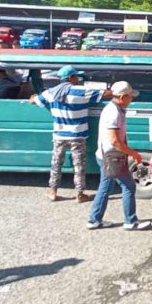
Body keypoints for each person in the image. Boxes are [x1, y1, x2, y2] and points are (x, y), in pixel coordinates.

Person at [30, 65, 110, 202]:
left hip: (59, 135)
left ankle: (52, 191)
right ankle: (80, 194)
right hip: (77, 135)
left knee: (56, 164)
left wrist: (34, 97)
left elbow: (33, 101)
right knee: (79, 166)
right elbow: (106, 94)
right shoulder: (80, 91)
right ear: (71, 78)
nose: (78, 79)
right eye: (76, 76)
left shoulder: (50, 93)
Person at [87, 81, 151, 230]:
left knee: (105, 187)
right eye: (130, 97)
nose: (131, 99)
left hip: (105, 156)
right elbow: (115, 141)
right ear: (122, 97)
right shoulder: (114, 113)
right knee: (129, 186)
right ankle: (130, 221)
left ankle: (94, 219)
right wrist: (133, 153)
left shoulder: (112, 108)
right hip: (112, 157)